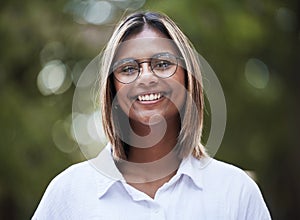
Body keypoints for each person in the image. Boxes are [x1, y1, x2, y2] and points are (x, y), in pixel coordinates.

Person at [32, 11, 271, 219]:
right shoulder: (69, 193)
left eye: (163, 64)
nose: (146, 77)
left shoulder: (236, 191)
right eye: (128, 68)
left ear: (187, 78)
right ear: (112, 88)